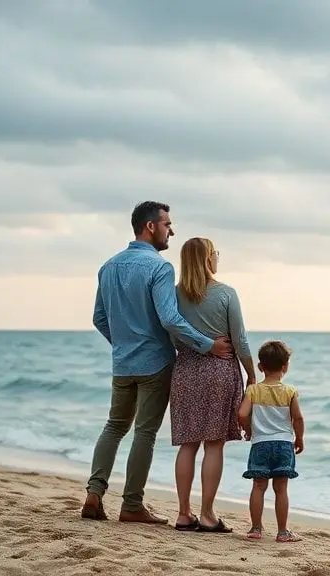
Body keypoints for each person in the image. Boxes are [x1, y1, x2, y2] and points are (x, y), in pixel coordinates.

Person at [81, 202, 232, 524]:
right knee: (145, 433)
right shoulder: (160, 268)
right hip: (155, 363)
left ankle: (94, 492)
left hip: (122, 364)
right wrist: (208, 346)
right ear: (150, 226)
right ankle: (132, 505)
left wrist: (123, 344)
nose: (171, 231)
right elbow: (170, 318)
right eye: (167, 224)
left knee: (114, 426)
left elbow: (99, 318)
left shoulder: (109, 266)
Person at [168, 237, 256, 533]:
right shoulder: (225, 293)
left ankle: (183, 513)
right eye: (215, 253)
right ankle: (207, 514)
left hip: (186, 370)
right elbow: (240, 340)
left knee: (188, 444)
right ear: (208, 259)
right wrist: (252, 374)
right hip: (220, 371)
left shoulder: (173, 295)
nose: (217, 257)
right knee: (214, 445)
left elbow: (172, 336)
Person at [237, 340, 305, 543]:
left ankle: (256, 528)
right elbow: (298, 418)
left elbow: (242, 413)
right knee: (281, 488)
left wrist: (249, 431)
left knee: (258, 486)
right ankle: (283, 532)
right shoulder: (290, 391)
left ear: (260, 367)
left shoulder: (253, 391)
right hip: (284, 444)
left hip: (260, 444)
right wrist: (299, 437)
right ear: (285, 366)